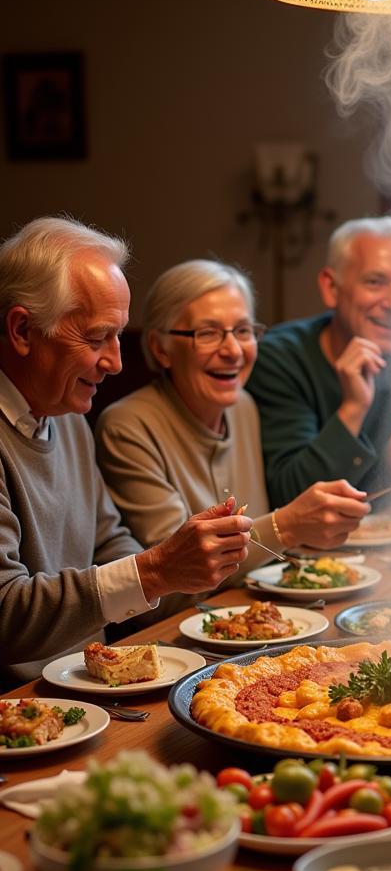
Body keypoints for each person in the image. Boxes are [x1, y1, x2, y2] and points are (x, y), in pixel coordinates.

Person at [0, 217, 252, 680]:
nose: (116, 362)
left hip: (89, 680)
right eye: (97, 338)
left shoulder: (68, 417)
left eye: (118, 335)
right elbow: (4, 612)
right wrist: (153, 570)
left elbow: (107, 540)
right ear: (22, 331)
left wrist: (174, 571)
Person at [95, 260, 370, 616]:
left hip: (251, 616)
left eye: (243, 331)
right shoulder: (127, 426)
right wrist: (286, 525)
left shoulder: (244, 407)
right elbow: (173, 585)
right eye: (207, 333)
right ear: (161, 348)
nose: (234, 351)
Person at [245, 217, 391, 506]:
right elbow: (290, 501)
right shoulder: (278, 358)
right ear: (331, 288)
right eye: (375, 282)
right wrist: (353, 409)